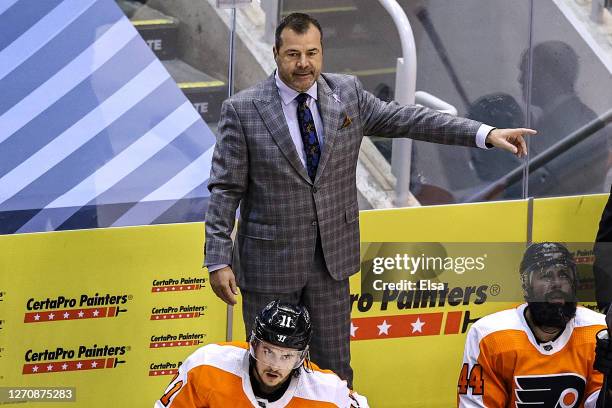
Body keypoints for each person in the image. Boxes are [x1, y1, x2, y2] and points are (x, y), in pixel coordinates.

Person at [204, 12, 536, 386]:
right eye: (293, 54)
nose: (304, 64)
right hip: (268, 265)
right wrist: (218, 256)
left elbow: (412, 119)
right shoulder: (243, 109)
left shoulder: (346, 94)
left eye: (312, 53)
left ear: (322, 52)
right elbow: (225, 188)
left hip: (332, 263)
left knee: (334, 373)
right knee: (268, 375)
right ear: (276, 53)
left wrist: (484, 133)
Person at [457, 242, 612, 407]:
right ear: (526, 285)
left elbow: (598, 403)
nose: (556, 283)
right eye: (546, 275)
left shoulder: (599, 330)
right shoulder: (488, 335)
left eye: (564, 275)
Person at [154, 301, 368, 407]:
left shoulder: (328, 393)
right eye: (268, 351)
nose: (275, 365)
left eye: (286, 356)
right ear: (254, 345)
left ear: (301, 357)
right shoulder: (207, 366)